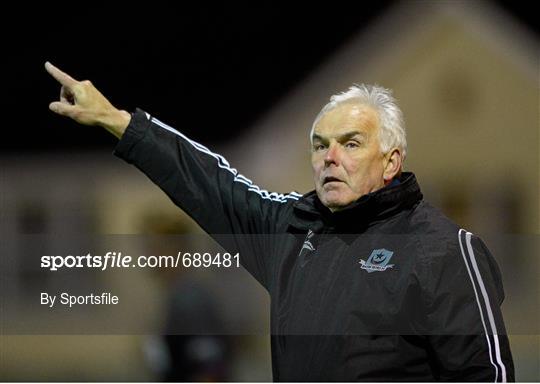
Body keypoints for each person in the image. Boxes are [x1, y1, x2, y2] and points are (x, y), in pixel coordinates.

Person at [45, 61, 514, 381]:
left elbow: (486, 374)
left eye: (350, 143)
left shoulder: (445, 249)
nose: (330, 157)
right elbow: (211, 183)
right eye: (319, 144)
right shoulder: (293, 230)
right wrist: (117, 121)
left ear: (391, 161)